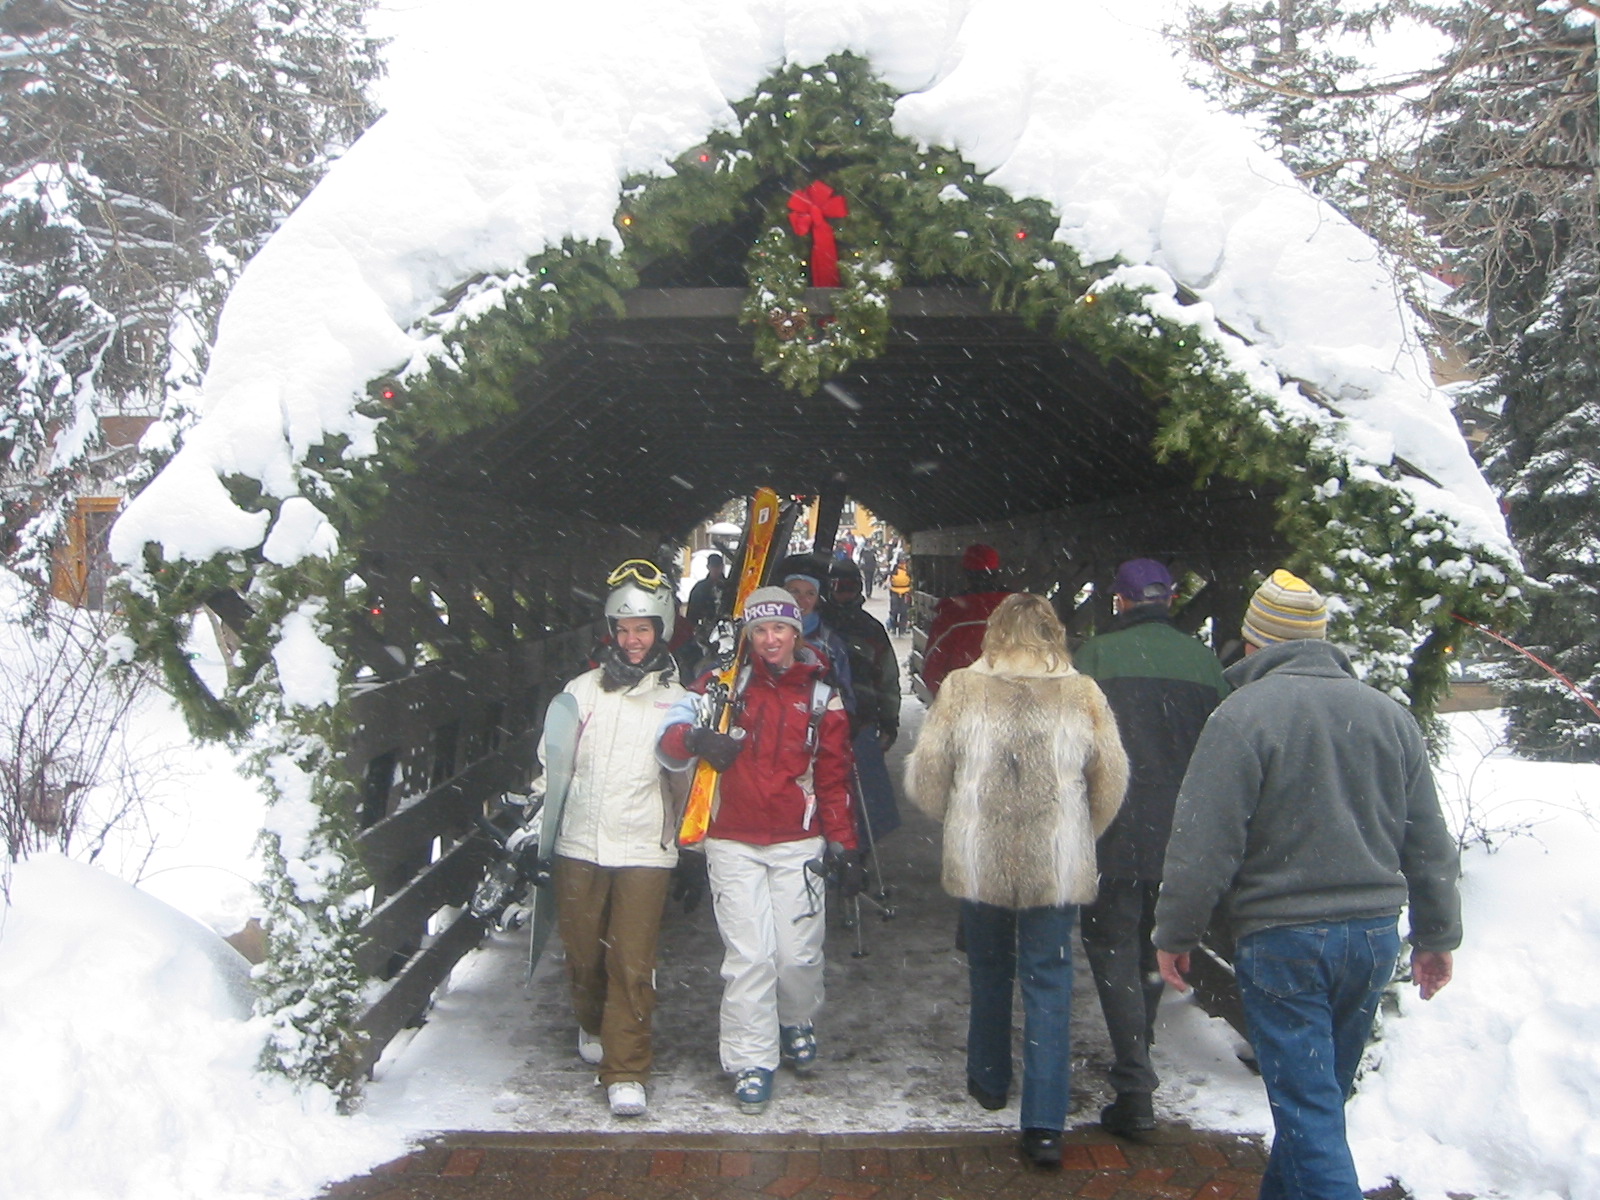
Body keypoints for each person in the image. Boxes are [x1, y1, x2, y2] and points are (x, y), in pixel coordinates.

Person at [1153, 569, 1461, 1200]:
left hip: (1284, 941)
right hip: (1372, 940)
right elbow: (1428, 838)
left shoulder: (1240, 716)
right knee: (1316, 1108)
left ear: (1253, 642)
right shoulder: (1389, 718)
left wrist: (1175, 931)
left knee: (1309, 1114)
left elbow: (1202, 843)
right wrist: (1436, 935)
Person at [906, 593, 1128, 1169]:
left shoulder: (961, 688)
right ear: (1054, 633)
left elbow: (927, 781)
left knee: (988, 968)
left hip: (980, 859)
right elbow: (1111, 782)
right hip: (1054, 863)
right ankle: (1046, 1125)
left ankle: (988, 1079)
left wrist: (961, 818)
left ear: (994, 631)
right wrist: (1076, 832)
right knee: (1050, 983)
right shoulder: (1082, 693)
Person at [657, 587, 862, 1115]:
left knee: (797, 954)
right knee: (750, 957)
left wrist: (844, 841)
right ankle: (751, 1059)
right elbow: (670, 738)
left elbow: (835, 776)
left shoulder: (821, 693)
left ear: (798, 631)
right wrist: (699, 739)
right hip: (732, 838)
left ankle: (795, 1018)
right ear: (748, 634)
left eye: (780, 629)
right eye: (760, 629)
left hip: (797, 840)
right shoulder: (724, 682)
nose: (770, 639)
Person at [1073, 558, 1228, 1137]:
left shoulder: (1093, 658)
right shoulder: (1205, 662)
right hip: (1180, 834)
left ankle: (1135, 1083)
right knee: (1151, 949)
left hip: (1110, 830)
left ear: (1118, 602)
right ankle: (1142, 1033)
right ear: (1173, 597)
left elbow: (1072, 747)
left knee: (1109, 944)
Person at [538, 560, 688, 1118]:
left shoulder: (678, 699)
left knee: (631, 961)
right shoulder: (581, 692)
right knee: (583, 957)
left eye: (643, 629)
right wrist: (540, 831)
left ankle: (627, 1068)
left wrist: (688, 842)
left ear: (661, 630)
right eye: (623, 630)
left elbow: (686, 778)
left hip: (645, 846)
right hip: (580, 843)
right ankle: (590, 1020)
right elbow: (552, 767)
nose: (631, 641)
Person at [825, 558, 902, 840]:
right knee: (827, 792)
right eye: (837, 587)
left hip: (862, 725)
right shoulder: (816, 626)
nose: (843, 593)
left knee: (868, 804)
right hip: (824, 724)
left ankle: (860, 856)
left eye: (849, 587)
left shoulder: (871, 630)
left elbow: (889, 678)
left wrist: (889, 722)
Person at [919, 542, 1012, 696]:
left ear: (964, 574)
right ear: (997, 572)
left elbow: (931, 670)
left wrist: (953, 703)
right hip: (1014, 707)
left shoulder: (951, 617)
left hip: (967, 705)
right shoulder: (1020, 613)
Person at [776, 553, 855, 711]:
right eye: (794, 591)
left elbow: (845, 699)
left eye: (810, 593)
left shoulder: (830, 644)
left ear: (818, 598)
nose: (801, 600)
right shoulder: (763, 636)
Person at [887, 557, 912, 635]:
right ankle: (893, 627)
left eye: (904, 562)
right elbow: (887, 577)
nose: (902, 563)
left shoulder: (909, 570)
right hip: (895, 591)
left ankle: (902, 629)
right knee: (894, 610)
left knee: (904, 611)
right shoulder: (893, 570)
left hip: (906, 592)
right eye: (901, 562)